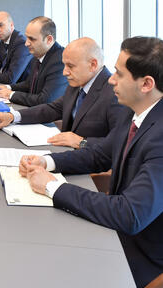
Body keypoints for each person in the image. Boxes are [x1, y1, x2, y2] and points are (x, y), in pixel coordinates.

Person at [19, 37, 163, 287]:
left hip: (141, 254)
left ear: (146, 84)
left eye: (119, 74)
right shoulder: (134, 112)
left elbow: (129, 214)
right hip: (116, 231)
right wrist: (46, 161)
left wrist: (52, 186)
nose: (111, 79)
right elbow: (99, 155)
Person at [0, 37, 122, 148]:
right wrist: (13, 116)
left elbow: (119, 144)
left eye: (70, 66)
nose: (64, 72)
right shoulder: (79, 82)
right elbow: (54, 109)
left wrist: (82, 142)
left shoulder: (115, 94)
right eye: (64, 65)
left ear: (93, 65)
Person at [0, 16, 67, 106]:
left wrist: (10, 94)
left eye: (32, 39)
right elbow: (29, 84)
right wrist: (7, 87)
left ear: (49, 40)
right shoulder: (39, 53)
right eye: (27, 38)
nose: (26, 43)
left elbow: (45, 100)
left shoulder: (60, 61)